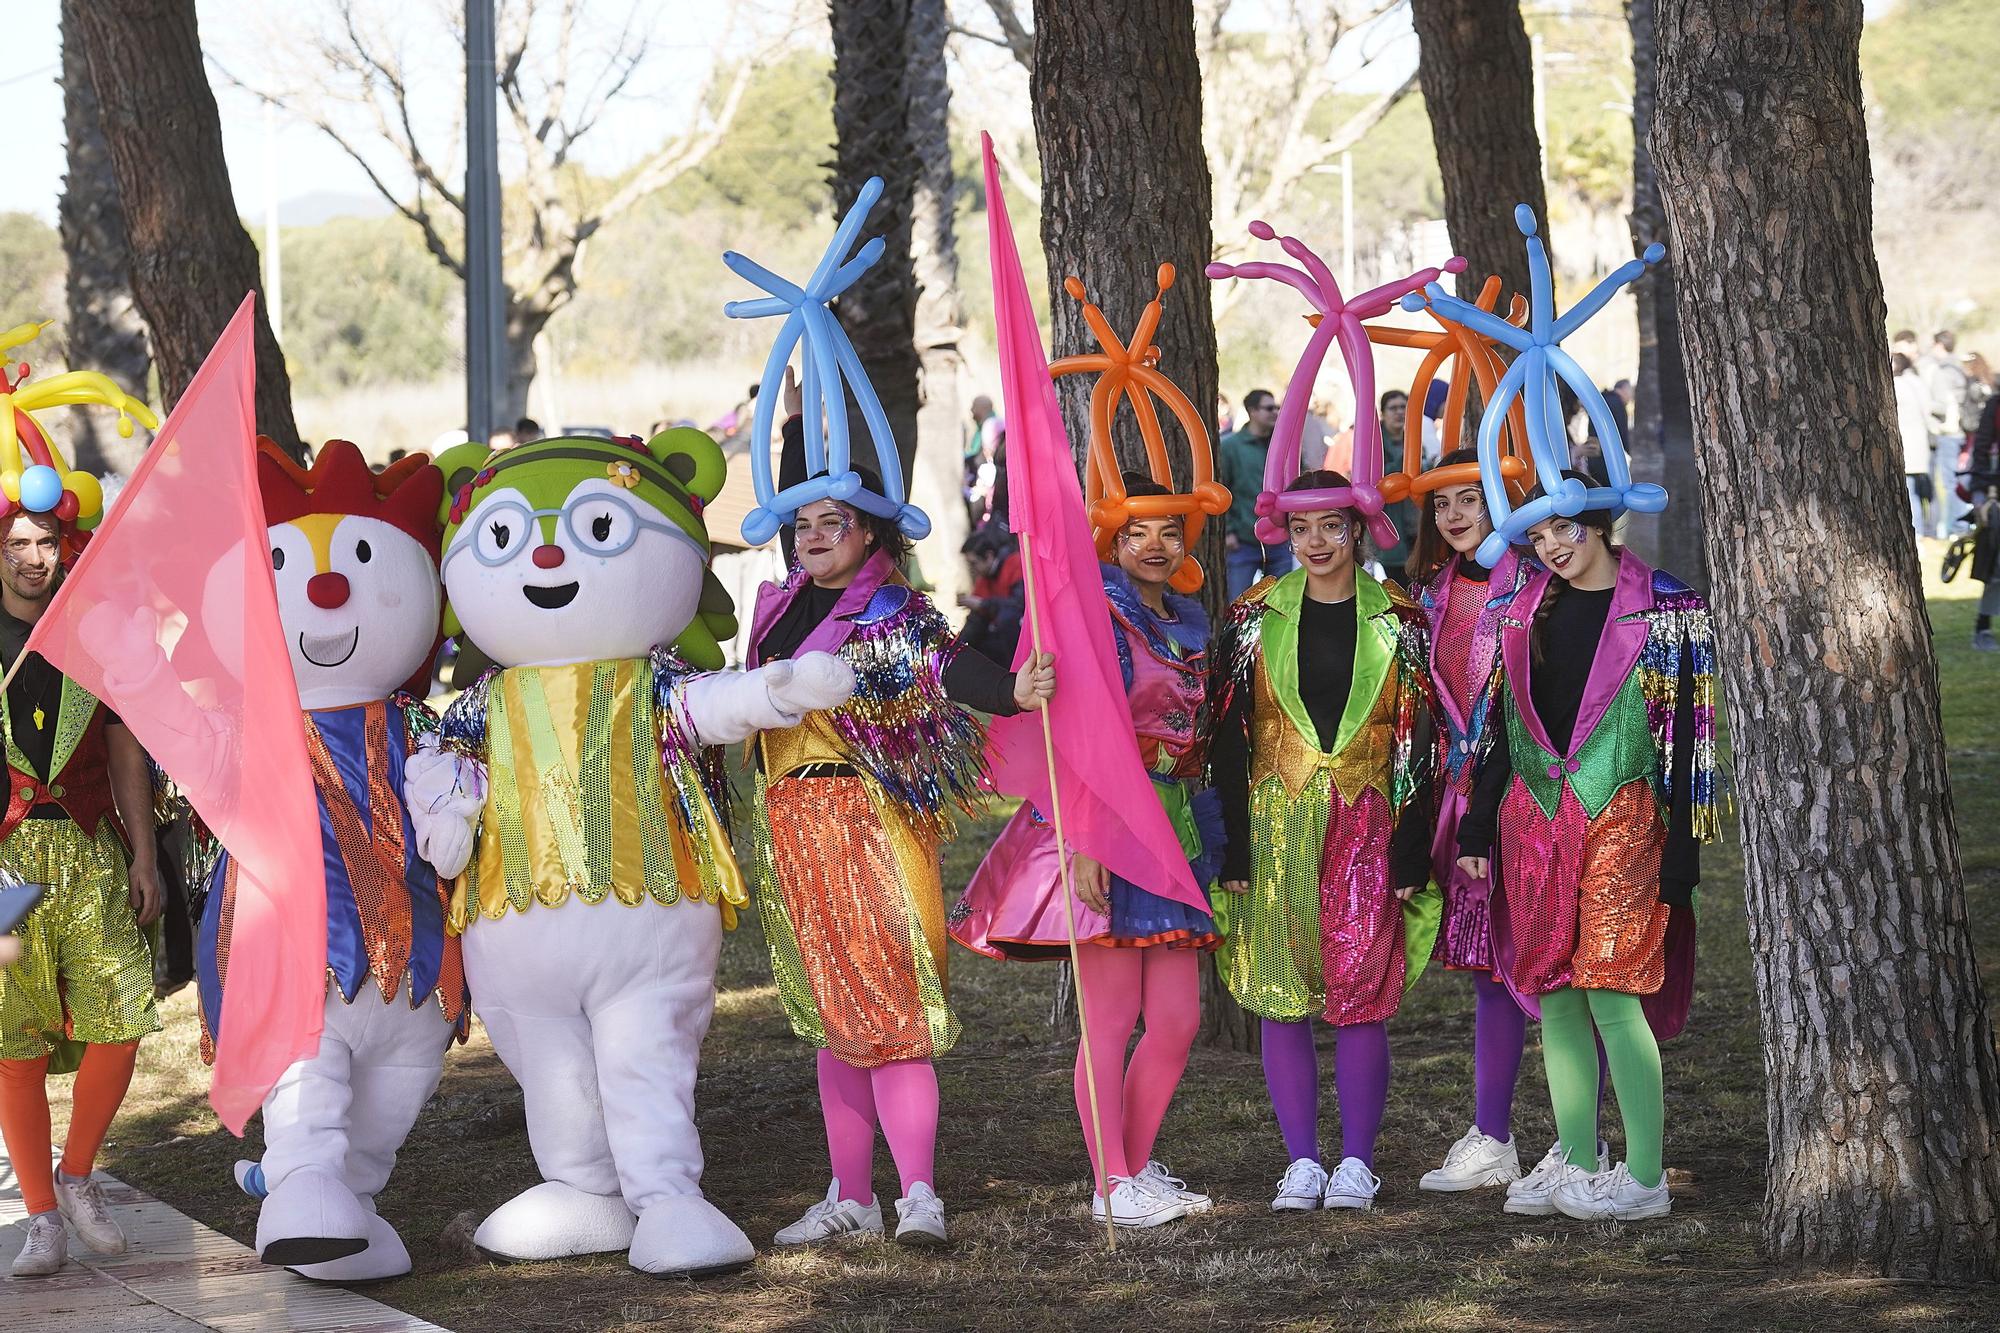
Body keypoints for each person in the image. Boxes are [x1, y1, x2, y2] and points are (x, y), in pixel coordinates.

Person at [752, 390, 1054, 1250]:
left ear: (870, 532)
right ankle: (850, 1195)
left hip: (872, 822)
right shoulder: (776, 610)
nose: (814, 536)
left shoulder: (892, 609)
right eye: (803, 523)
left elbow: (949, 665)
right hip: (793, 825)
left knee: (890, 1004)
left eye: (833, 521)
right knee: (828, 1010)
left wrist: (1012, 691)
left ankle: (918, 1192)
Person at [953, 476, 1222, 1228]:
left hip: (1171, 826)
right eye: (1139, 532)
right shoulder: (1095, 616)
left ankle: (1132, 1169)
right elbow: (1073, 734)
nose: (1156, 546)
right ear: (1112, 538)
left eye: (1170, 530)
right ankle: (1111, 1181)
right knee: (1112, 1017)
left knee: (1175, 1020)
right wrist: (1086, 839)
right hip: (1103, 822)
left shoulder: (1189, 619)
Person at [1455, 481, 1719, 1222]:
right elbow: (1502, 731)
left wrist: (1684, 851)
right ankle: (1577, 1155)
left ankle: (1643, 1175)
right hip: (1532, 819)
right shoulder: (1520, 613)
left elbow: (1690, 735)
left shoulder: (1665, 608)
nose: (1552, 549)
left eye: (1566, 528)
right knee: (1557, 990)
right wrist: (1477, 829)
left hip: (1625, 815)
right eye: (1538, 538)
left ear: (1602, 523)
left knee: (1610, 983)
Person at [1210, 470, 1438, 1214]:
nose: (1316, 543)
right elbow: (1228, 738)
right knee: (1282, 989)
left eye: (1331, 527)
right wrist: (1236, 846)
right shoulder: (1252, 616)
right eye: (1302, 528)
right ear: (1284, 531)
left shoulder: (1399, 620)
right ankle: (1302, 1160)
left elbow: (1419, 741)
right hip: (1279, 816)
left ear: (1357, 530)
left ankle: (1357, 1163)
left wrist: (1410, 849)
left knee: (1361, 989)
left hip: (1368, 821)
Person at [0, 509, 165, 1278]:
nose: (36, 559)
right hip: (7, 864)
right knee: (12, 1040)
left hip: (93, 849)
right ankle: (40, 1216)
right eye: (19, 545)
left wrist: (145, 853)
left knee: (125, 1011)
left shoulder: (94, 633)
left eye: (48, 543)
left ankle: (77, 1174)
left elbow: (124, 740)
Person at [1405, 450, 1537, 1194]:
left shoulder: (1534, 588)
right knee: (1489, 970)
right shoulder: (1429, 596)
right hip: (1456, 802)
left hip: (1527, 800)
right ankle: (1492, 1136)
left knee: (1551, 967)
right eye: (1443, 503)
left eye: (1472, 499)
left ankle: (1591, 1141)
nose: (1455, 516)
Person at [1219, 390, 1295, 598]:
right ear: (1252, 411)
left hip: (1280, 539)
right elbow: (1222, 491)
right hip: (1243, 541)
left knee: (1281, 602)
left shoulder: (1282, 447)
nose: (1275, 413)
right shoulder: (1230, 447)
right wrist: (1228, 531)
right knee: (1239, 603)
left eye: (1277, 408)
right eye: (1269, 408)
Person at [1924, 331, 1970, 538]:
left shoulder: (1943, 371)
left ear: (1939, 346)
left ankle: (1956, 526)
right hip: (1962, 431)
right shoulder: (1960, 367)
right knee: (1958, 479)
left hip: (1948, 431)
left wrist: (1925, 405)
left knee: (1950, 482)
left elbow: (1942, 405)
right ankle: (1961, 524)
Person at [958, 527, 1024, 665]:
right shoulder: (983, 580)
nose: (972, 569)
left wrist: (983, 604)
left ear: (988, 556)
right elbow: (976, 620)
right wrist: (959, 647)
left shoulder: (1015, 564)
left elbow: (1019, 604)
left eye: (973, 563)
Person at [1377, 390, 1417, 579]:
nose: (1400, 412)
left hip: (1413, 523)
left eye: (1403, 407)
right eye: (1393, 408)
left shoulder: (1414, 440)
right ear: (1383, 413)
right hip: (1387, 523)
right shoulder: (1373, 444)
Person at [1895, 352, 1935, 533]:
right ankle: (1927, 529)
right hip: (1919, 441)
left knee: (1910, 491)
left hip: (1907, 442)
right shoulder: (1918, 383)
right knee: (1920, 491)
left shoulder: (1898, 385)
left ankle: (1917, 531)